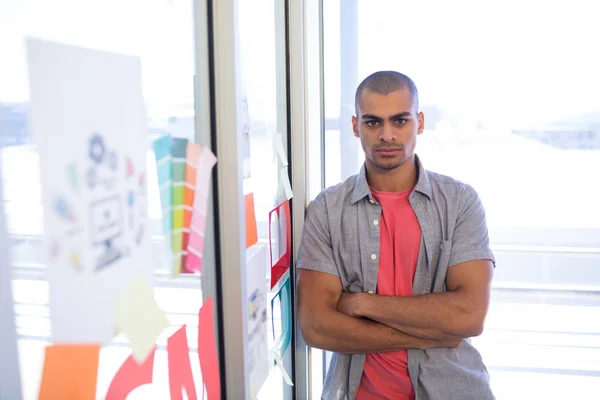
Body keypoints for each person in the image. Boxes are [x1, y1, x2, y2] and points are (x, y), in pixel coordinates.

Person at [297, 71, 496, 400]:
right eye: (373, 122)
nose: (387, 135)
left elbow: (470, 316)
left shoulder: (459, 202)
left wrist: (360, 303)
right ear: (355, 126)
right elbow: (316, 326)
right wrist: (432, 333)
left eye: (399, 121)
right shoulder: (328, 209)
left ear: (419, 122)